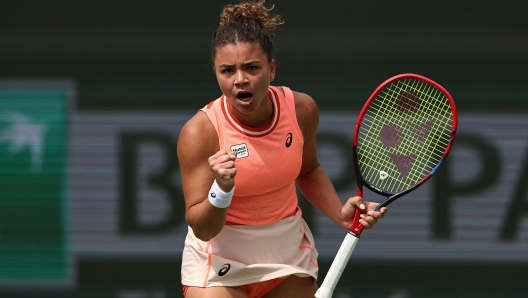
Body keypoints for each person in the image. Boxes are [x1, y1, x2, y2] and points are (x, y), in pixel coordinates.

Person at [177, 1, 387, 297]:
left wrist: (340, 215)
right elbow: (203, 229)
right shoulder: (199, 133)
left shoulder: (300, 109)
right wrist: (222, 190)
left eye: (252, 67)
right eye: (227, 70)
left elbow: (308, 169)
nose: (240, 79)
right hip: (219, 260)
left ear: (272, 69)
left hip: (285, 255)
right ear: (216, 73)